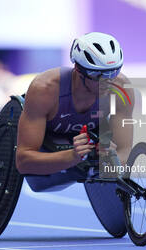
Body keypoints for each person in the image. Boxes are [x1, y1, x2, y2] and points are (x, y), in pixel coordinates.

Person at [16, 32, 134, 176]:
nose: (108, 82)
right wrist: (72, 156)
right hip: (48, 141)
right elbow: (23, 162)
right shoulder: (44, 90)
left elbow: (125, 151)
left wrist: (112, 159)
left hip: (89, 139)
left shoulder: (121, 88)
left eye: (113, 72)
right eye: (99, 75)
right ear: (78, 69)